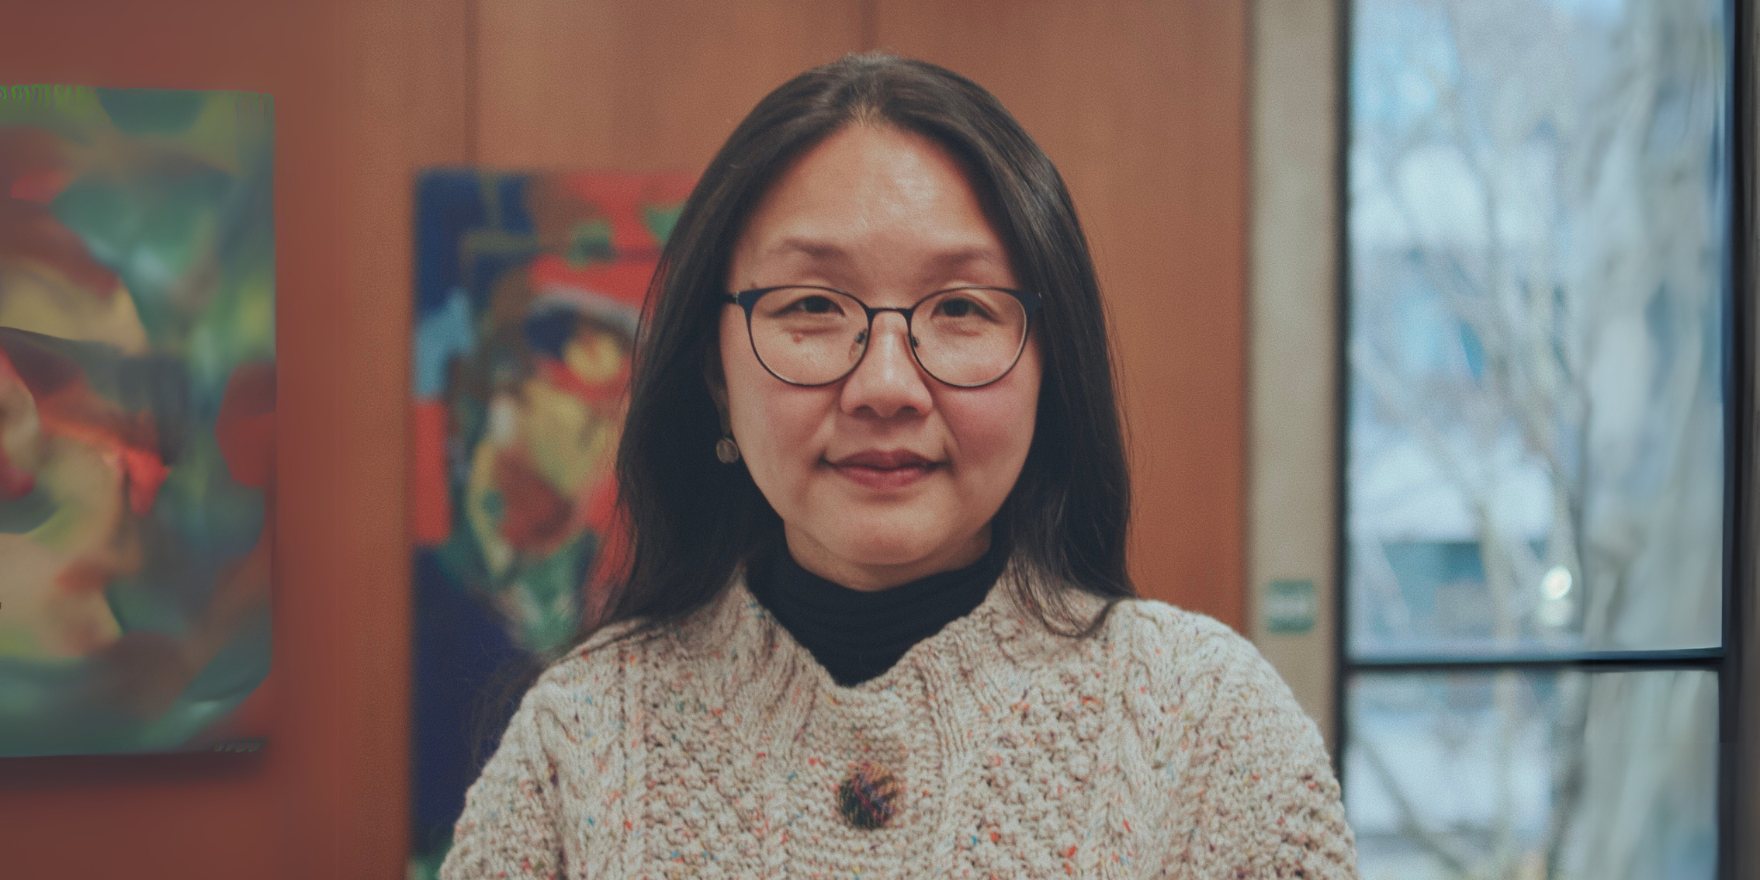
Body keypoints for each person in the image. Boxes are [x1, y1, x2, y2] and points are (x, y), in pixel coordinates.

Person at [440, 52, 1359, 878]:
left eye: (961, 308)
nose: (886, 385)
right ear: (714, 374)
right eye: (809, 304)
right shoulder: (583, 737)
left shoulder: (1209, 729)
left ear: (1051, 362)